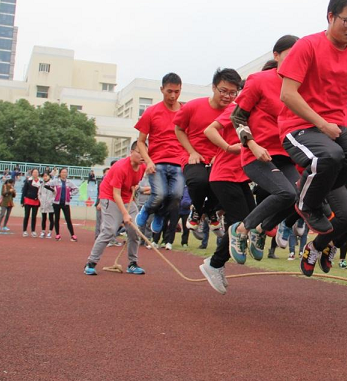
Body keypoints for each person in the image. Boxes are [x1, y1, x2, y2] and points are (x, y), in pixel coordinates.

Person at [278, 0, 347, 275]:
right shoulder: (308, 46)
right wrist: (321, 123)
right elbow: (287, 94)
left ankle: (316, 197)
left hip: (334, 129)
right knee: (332, 156)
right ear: (330, 16)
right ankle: (307, 202)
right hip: (298, 126)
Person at [229, 37, 301, 261]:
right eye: (290, 55)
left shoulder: (301, 87)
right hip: (257, 154)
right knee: (286, 192)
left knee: (300, 197)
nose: (294, 61)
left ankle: (261, 230)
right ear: (276, 55)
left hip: (286, 155)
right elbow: (237, 116)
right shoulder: (259, 80)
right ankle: (241, 229)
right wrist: (252, 144)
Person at [174, 68, 242, 235]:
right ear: (213, 87)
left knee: (220, 183)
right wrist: (192, 152)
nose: (227, 96)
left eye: (233, 93)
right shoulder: (193, 106)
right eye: (223, 91)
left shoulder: (236, 111)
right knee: (198, 181)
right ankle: (197, 209)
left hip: (220, 159)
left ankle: (210, 210)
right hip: (194, 156)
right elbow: (179, 129)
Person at [199, 102, 256, 293]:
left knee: (250, 221)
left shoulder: (264, 112)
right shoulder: (238, 108)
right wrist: (228, 147)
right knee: (239, 224)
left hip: (240, 178)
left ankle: (216, 263)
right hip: (225, 176)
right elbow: (210, 130)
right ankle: (214, 264)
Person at [134, 73, 187, 238]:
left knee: (176, 196)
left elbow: (193, 136)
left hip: (179, 162)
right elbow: (141, 141)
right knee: (160, 195)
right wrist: (148, 161)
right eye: (169, 91)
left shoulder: (185, 111)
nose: (173, 95)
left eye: (177, 91)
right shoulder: (151, 112)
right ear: (162, 89)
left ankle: (159, 214)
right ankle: (147, 210)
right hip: (157, 162)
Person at [84, 142, 147, 276]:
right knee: (109, 230)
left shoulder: (142, 167)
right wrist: (125, 214)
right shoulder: (120, 167)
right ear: (131, 152)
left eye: (144, 152)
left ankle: (132, 264)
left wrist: (132, 201)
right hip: (110, 197)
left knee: (134, 230)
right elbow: (115, 194)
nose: (142, 156)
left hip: (127, 199)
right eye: (139, 152)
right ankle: (91, 263)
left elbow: (133, 186)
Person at [50, 167, 79, 241]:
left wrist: (70, 194)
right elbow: (47, 185)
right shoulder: (56, 181)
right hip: (56, 203)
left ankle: (72, 235)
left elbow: (76, 189)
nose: (64, 174)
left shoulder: (69, 182)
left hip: (65, 203)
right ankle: (57, 234)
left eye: (65, 172)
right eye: (62, 172)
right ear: (60, 173)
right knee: (56, 219)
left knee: (68, 219)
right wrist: (53, 191)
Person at [21, 169, 42, 237]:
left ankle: (33, 231)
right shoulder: (28, 181)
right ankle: (24, 230)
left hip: (36, 201)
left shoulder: (40, 182)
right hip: (28, 199)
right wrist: (22, 201)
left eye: (36, 172)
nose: (35, 173)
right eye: (34, 172)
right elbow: (24, 191)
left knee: (34, 216)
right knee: (26, 216)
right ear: (32, 173)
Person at [38, 171, 55, 238]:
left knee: (51, 218)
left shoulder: (52, 184)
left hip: (50, 204)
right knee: (43, 218)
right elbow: (39, 193)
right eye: (44, 176)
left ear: (49, 176)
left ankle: (50, 232)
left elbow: (55, 193)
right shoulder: (42, 184)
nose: (45, 177)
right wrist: (41, 200)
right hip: (43, 203)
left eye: (46, 176)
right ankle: (43, 231)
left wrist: (52, 201)